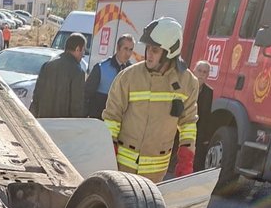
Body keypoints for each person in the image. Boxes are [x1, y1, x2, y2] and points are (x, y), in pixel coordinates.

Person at [103, 17, 198, 182]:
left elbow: (188, 124)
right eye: (147, 49)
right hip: (122, 168)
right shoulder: (128, 77)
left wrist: (186, 159)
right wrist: (109, 149)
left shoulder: (188, 82)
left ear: (169, 52)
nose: (148, 54)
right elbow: (112, 117)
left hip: (156, 173)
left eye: (154, 50)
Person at [30, 32, 86, 118]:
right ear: (78, 49)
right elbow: (76, 105)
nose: (83, 55)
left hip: (43, 122)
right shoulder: (77, 72)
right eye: (83, 50)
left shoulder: (48, 65)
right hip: (63, 126)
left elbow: (36, 95)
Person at [84, 33, 134, 119]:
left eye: (131, 49)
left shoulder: (132, 71)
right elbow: (86, 95)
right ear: (118, 48)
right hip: (99, 121)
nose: (128, 53)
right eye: (125, 49)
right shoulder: (101, 68)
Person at [192, 60, 214, 171]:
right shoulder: (186, 86)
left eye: (205, 72)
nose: (201, 74)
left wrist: (205, 137)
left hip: (197, 132)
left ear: (208, 75)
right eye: (199, 71)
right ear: (194, 71)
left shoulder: (209, 92)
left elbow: (206, 116)